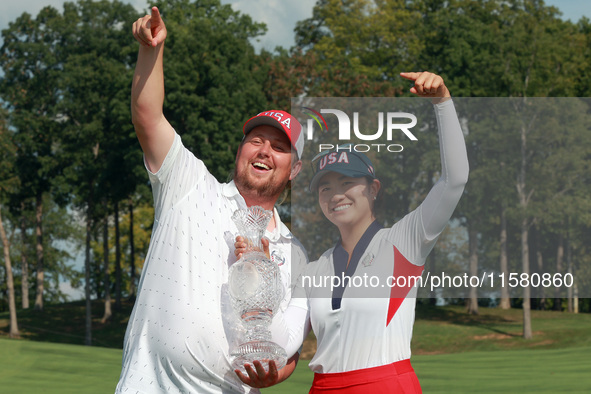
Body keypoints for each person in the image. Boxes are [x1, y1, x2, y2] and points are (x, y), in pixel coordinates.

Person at [235, 72, 469, 392]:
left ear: (373, 189)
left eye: (347, 183)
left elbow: (454, 180)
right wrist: (261, 274)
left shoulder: (403, 241)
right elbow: (284, 339)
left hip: (385, 385)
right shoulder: (314, 268)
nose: (336, 195)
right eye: (326, 187)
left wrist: (442, 101)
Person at [116, 7, 308, 393]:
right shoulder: (189, 184)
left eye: (279, 147)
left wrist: (277, 374)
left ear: (295, 170)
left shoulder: (297, 253)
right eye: (256, 140)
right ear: (240, 149)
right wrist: (151, 51)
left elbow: (291, 347)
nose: (264, 151)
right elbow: (147, 116)